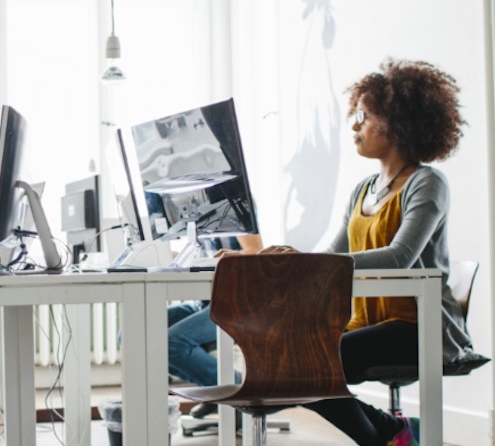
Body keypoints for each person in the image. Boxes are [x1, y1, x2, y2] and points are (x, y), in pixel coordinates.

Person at [265, 58, 475, 446]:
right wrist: (296, 262)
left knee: (312, 363)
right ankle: (390, 433)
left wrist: (311, 266)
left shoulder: (427, 184)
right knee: (294, 357)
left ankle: (385, 436)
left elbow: (400, 256)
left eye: (364, 116)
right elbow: (333, 254)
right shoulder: (362, 189)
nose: (354, 125)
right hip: (367, 321)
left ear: (398, 123)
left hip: (419, 327)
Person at [167, 234, 261, 419]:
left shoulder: (231, 210)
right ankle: (215, 391)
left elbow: (255, 250)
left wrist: (223, 259)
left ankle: (235, 389)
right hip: (204, 300)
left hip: (235, 303)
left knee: (171, 342)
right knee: (134, 335)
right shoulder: (193, 219)